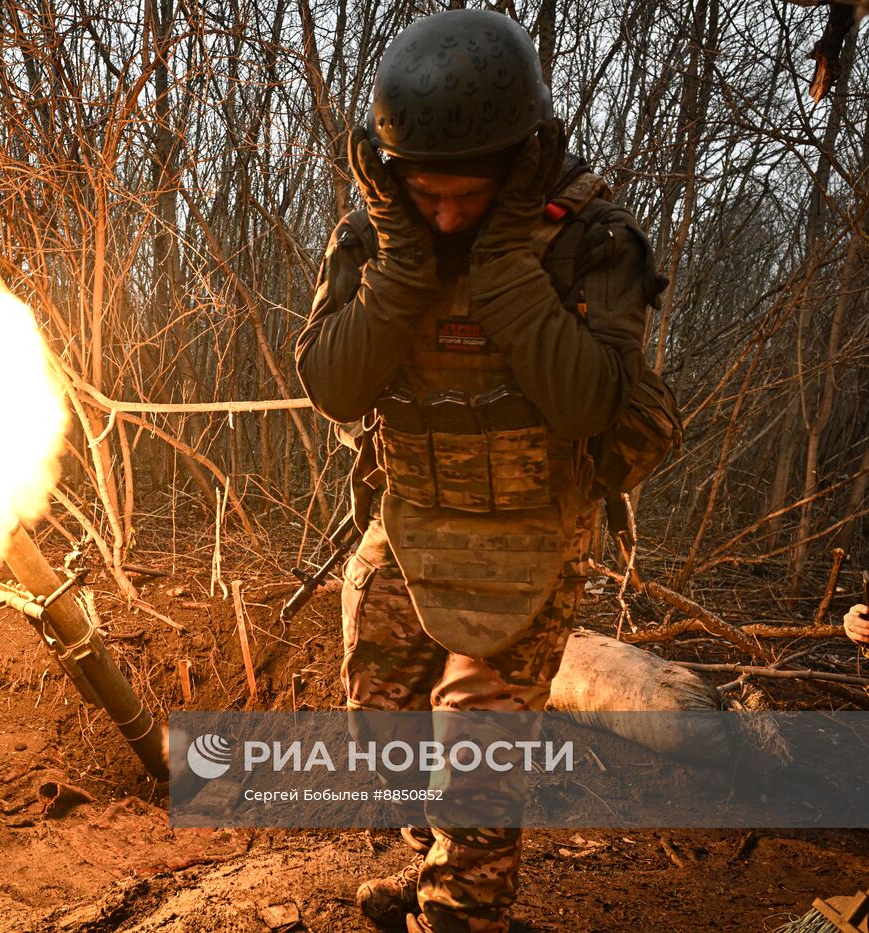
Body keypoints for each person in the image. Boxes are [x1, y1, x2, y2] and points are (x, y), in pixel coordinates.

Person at [295, 10, 665, 933]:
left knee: (478, 730)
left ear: (519, 161)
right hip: (413, 503)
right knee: (380, 708)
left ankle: (463, 910)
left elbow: (589, 403)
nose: (450, 213)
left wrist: (500, 263)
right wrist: (406, 267)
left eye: (469, 196)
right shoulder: (383, 235)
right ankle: (440, 856)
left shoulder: (590, 239)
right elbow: (335, 385)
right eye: (429, 195)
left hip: (535, 518)